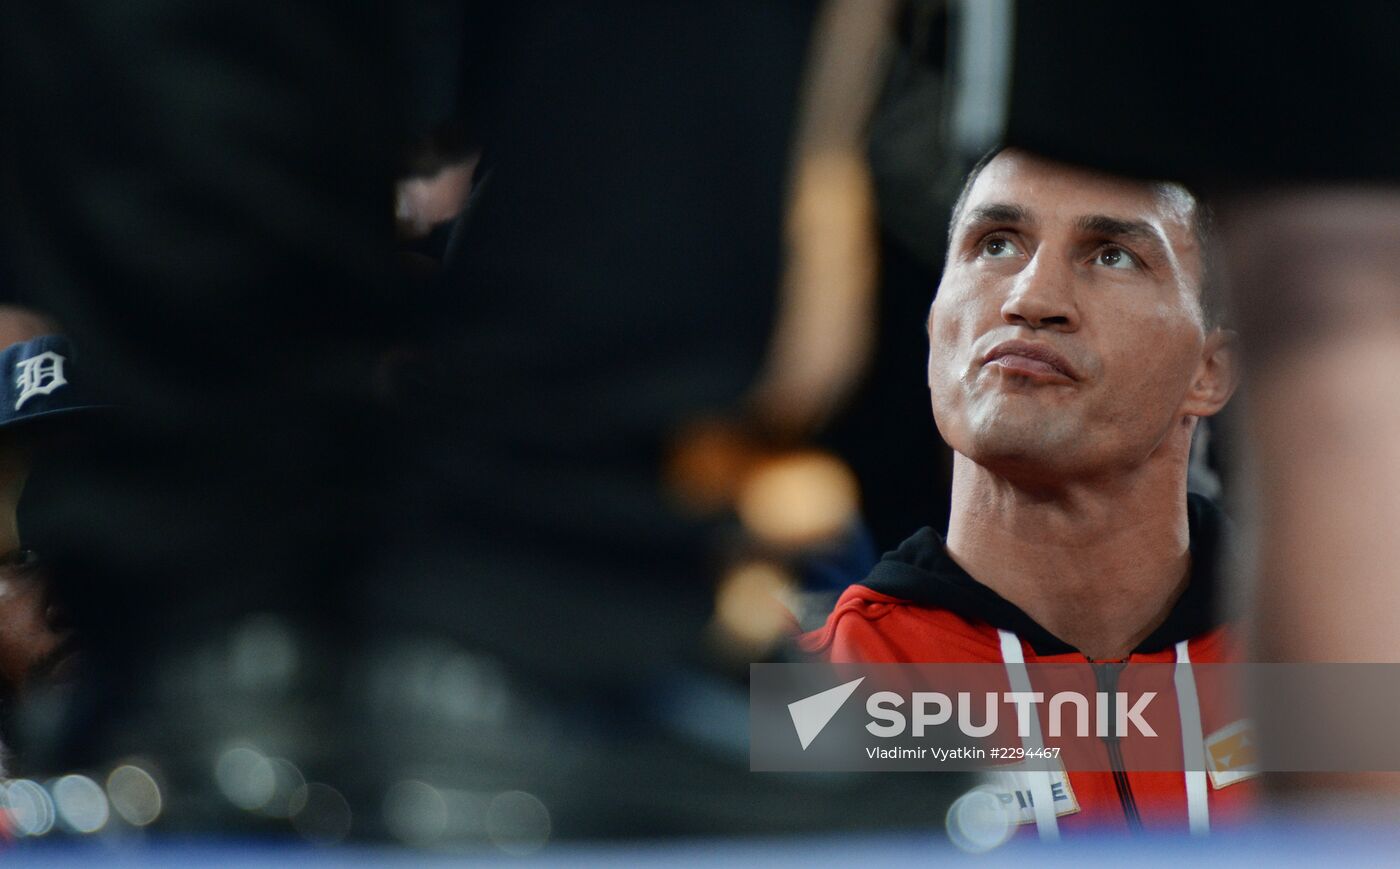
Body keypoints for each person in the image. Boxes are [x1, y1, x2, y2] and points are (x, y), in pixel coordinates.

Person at [803, 148, 1251, 837]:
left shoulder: (1343, 677)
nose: (1030, 299)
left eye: (1112, 256)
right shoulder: (816, 703)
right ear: (932, 331)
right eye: (996, 245)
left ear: (1210, 371)